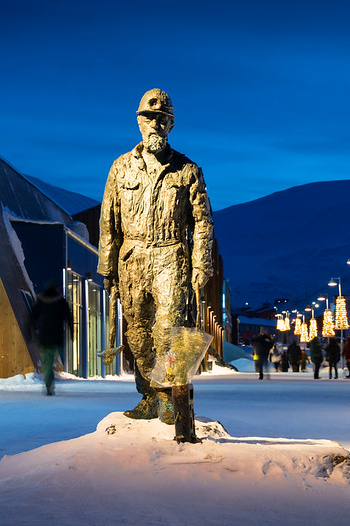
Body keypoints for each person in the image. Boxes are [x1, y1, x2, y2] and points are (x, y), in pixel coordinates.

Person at [97, 88, 214, 424]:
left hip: (171, 255)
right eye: (149, 118)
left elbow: (203, 223)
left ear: (171, 125)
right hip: (132, 258)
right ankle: (149, 396)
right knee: (137, 333)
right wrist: (107, 267)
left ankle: (169, 397)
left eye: (162, 119)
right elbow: (109, 221)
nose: (155, 125)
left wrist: (201, 264)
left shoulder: (188, 170)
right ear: (139, 123)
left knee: (169, 331)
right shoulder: (120, 168)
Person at [31, 280, 73, 396]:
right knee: (52, 360)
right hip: (57, 337)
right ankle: (50, 381)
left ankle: (48, 384)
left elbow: (32, 317)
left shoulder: (41, 301)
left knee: (47, 362)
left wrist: (29, 331)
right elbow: (69, 317)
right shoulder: (61, 302)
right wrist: (72, 332)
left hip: (44, 337)